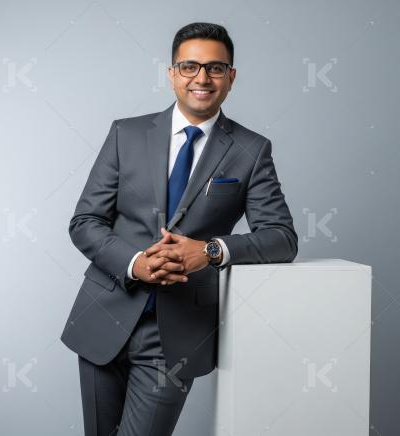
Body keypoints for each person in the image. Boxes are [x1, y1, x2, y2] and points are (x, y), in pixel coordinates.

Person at [60, 22, 298, 435]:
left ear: (231, 77)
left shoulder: (252, 149)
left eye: (215, 68)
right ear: (171, 73)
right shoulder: (126, 134)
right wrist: (135, 262)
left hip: (175, 336)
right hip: (105, 316)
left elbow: (282, 238)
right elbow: (85, 222)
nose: (201, 78)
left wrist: (209, 251)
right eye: (189, 66)